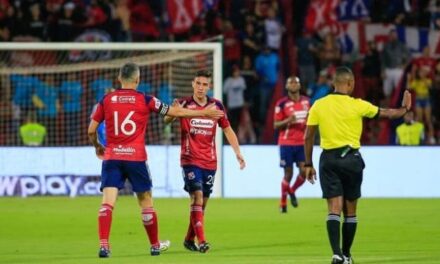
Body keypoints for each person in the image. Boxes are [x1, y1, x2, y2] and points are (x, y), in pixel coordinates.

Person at [88, 63, 224, 258]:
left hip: (112, 157)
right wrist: (204, 112)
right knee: (146, 201)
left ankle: (104, 246)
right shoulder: (146, 100)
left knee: (107, 202)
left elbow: (91, 130)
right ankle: (154, 245)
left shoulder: (106, 100)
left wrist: (98, 146)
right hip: (135, 158)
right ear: (138, 80)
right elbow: (175, 112)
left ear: (119, 78)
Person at [304, 66, 412, 264]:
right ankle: (346, 255)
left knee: (333, 208)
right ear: (350, 83)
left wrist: (308, 163)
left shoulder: (318, 105)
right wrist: (405, 109)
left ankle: (336, 253)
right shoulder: (358, 105)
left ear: (333, 83)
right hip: (352, 159)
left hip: (328, 159)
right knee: (351, 212)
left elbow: (308, 136)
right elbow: (388, 113)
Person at [164, 70, 246, 253]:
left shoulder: (216, 106)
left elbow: (227, 129)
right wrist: (174, 111)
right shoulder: (184, 103)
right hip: (189, 159)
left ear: (209, 86)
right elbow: (167, 119)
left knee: (202, 205)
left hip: (210, 161)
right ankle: (202, 241)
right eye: (198, 83)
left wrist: (237, 152)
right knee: (197, 197)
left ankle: (188, 239)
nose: (201, 87)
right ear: (193, 84)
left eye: (204, 84)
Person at [273, 76, 310, 213]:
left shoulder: (307, 102)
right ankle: (283, 202)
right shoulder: (281, 104)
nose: (294, 84)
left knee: (304, 172)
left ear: (300, 86)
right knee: (288, 174)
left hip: (302, 143)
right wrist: (288, 120)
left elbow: (312, 119)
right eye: (291, 82)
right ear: (287, 87)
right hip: (286, 143)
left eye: (296, 82)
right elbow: (275, 125)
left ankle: (292, 191)